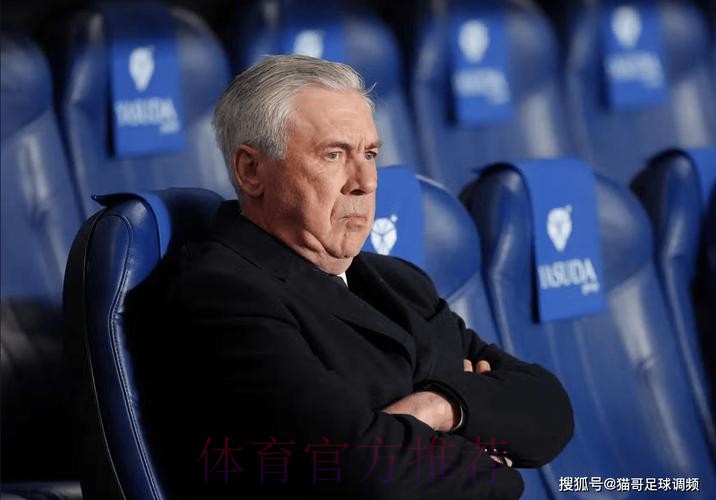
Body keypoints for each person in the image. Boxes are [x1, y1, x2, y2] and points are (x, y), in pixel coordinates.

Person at [159, 54, 573, 499]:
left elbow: (550, 411)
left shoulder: (401, 283)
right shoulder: (223, 293)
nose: (366, 181)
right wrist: (487, 455)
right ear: (251, 170)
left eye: (370, 154)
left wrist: (441, 406)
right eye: (334, 154)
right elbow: (364, 470)